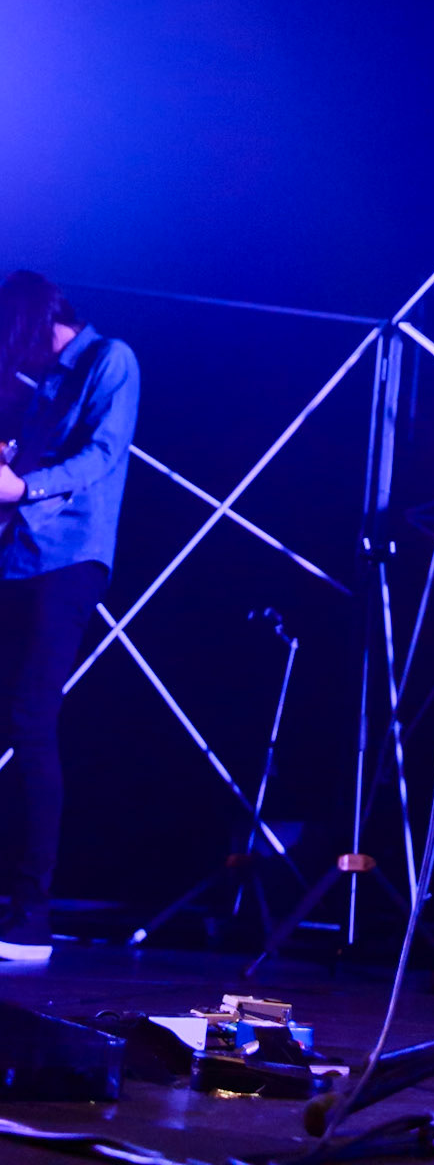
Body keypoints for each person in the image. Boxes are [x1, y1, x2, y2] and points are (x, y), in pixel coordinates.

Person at [0, 272, 139, 960]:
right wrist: (13, 465)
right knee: (12, 720)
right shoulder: (46, 382)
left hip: (70, 563)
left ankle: (33, 912)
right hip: (16, 560)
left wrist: (25, 482)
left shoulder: (110, 358)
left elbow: (103, 454)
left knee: (31, 719)